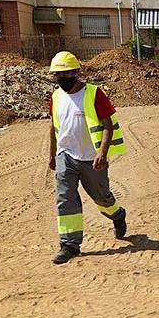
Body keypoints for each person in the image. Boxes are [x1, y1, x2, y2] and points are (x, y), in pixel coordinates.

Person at [47, 51, 128, 264]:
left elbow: (108, 124)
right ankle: (69, 245)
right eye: (58, 75)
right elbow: (53, 127)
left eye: (66, 73)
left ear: (76, 72)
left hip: (91, 158)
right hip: (66, 155)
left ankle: (117, 214)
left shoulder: (93, 93)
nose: (62, 78)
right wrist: (52, 155)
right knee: (65, 198)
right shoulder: (56, 97)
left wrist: (102, 152)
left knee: (101, 198)